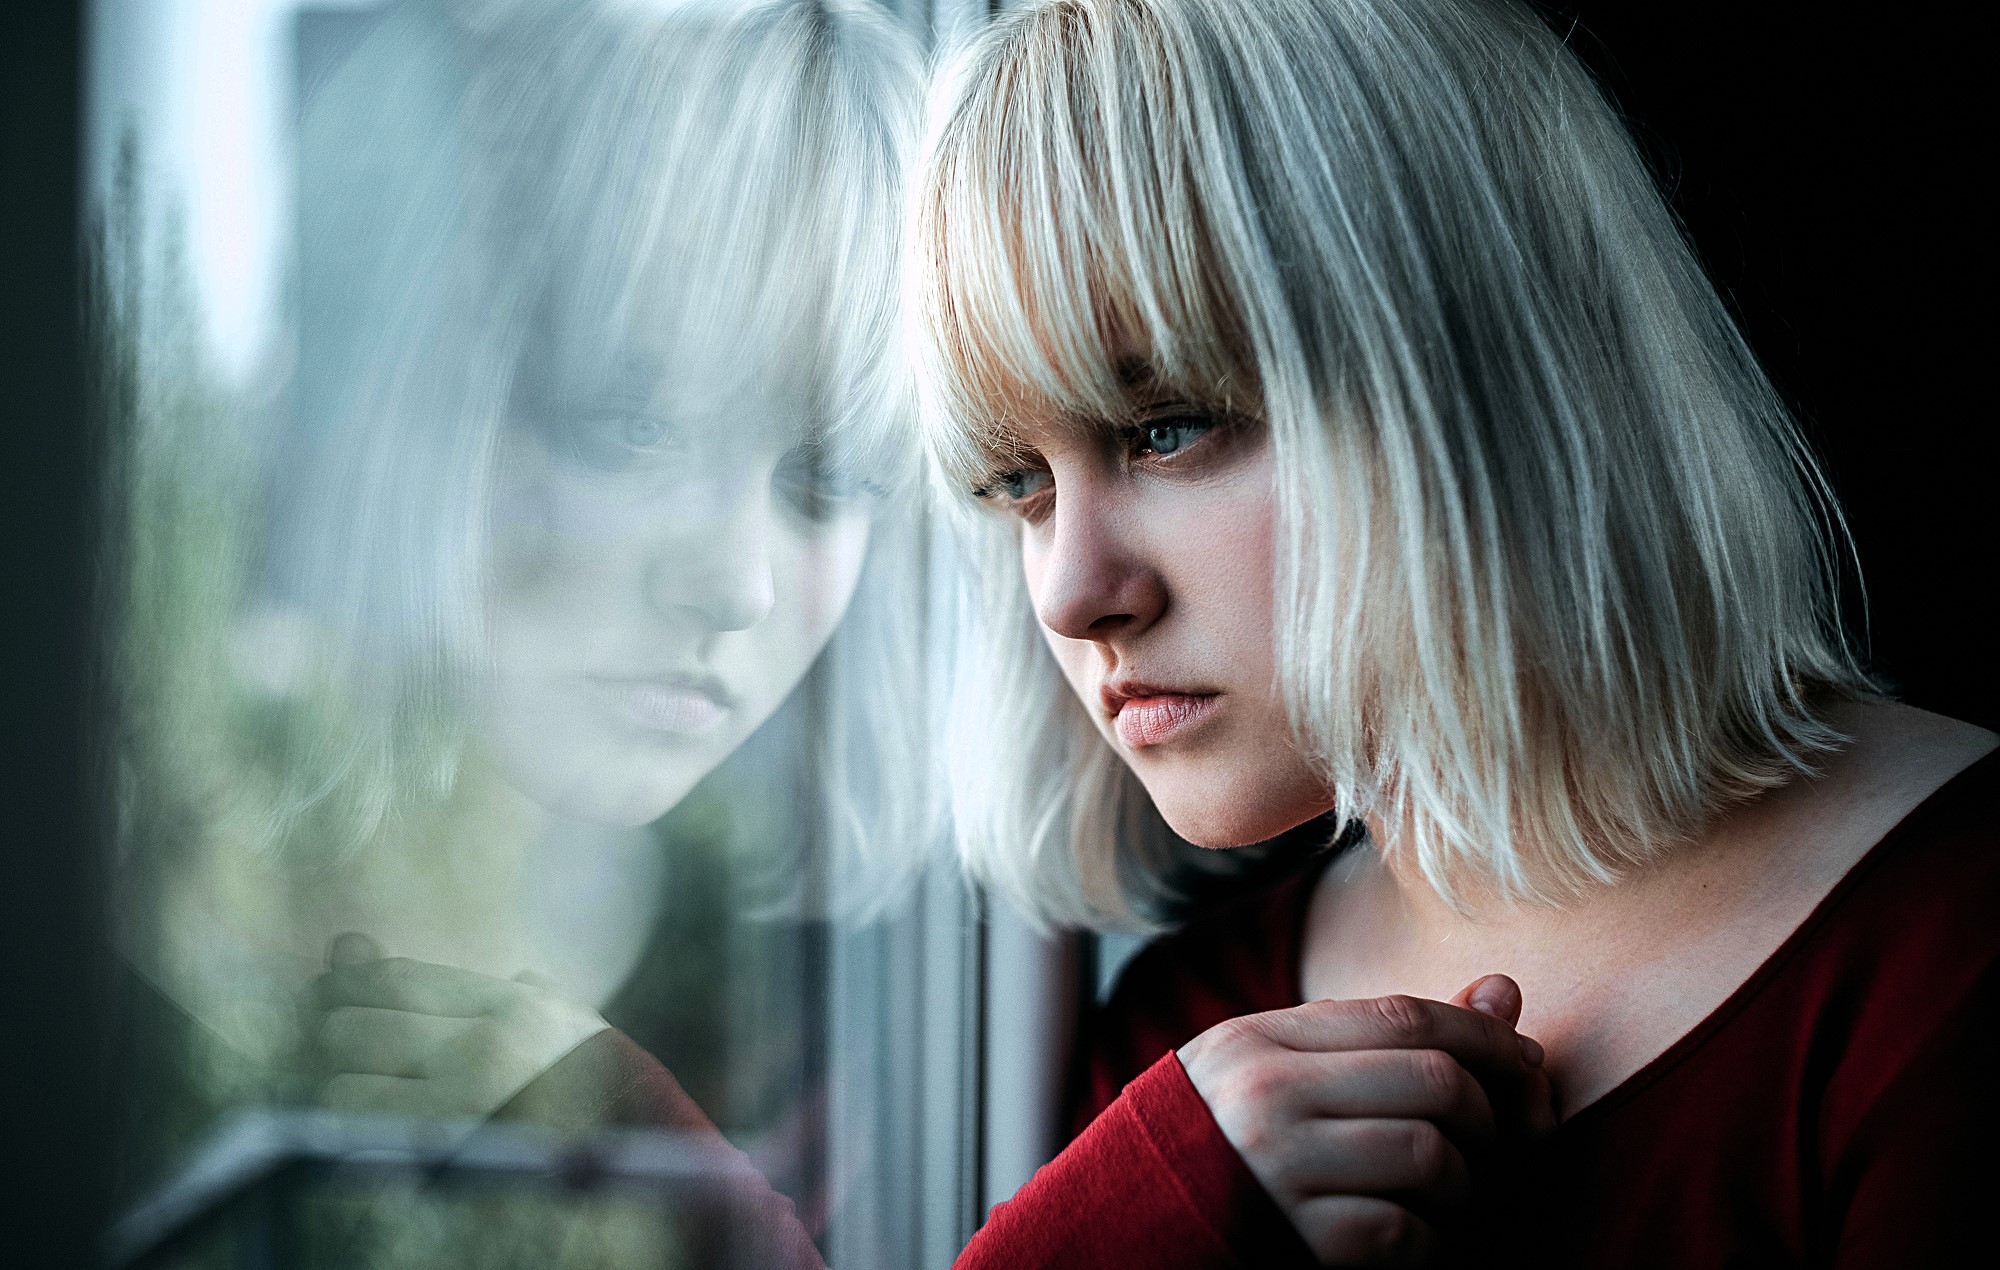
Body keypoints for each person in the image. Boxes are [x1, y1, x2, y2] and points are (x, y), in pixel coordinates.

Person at [907, 0, 1998, 1265]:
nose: (1067, 589)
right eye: (1015, 483)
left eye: (1168, 426)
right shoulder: (1194, 1060)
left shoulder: (1947, 948)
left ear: (1476, 359)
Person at [109, 0, 931, 1262]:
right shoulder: (157, 1006)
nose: (736, 585)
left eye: (823, 479)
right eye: (627, 423)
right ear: (420, 405)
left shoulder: (817, 1084)